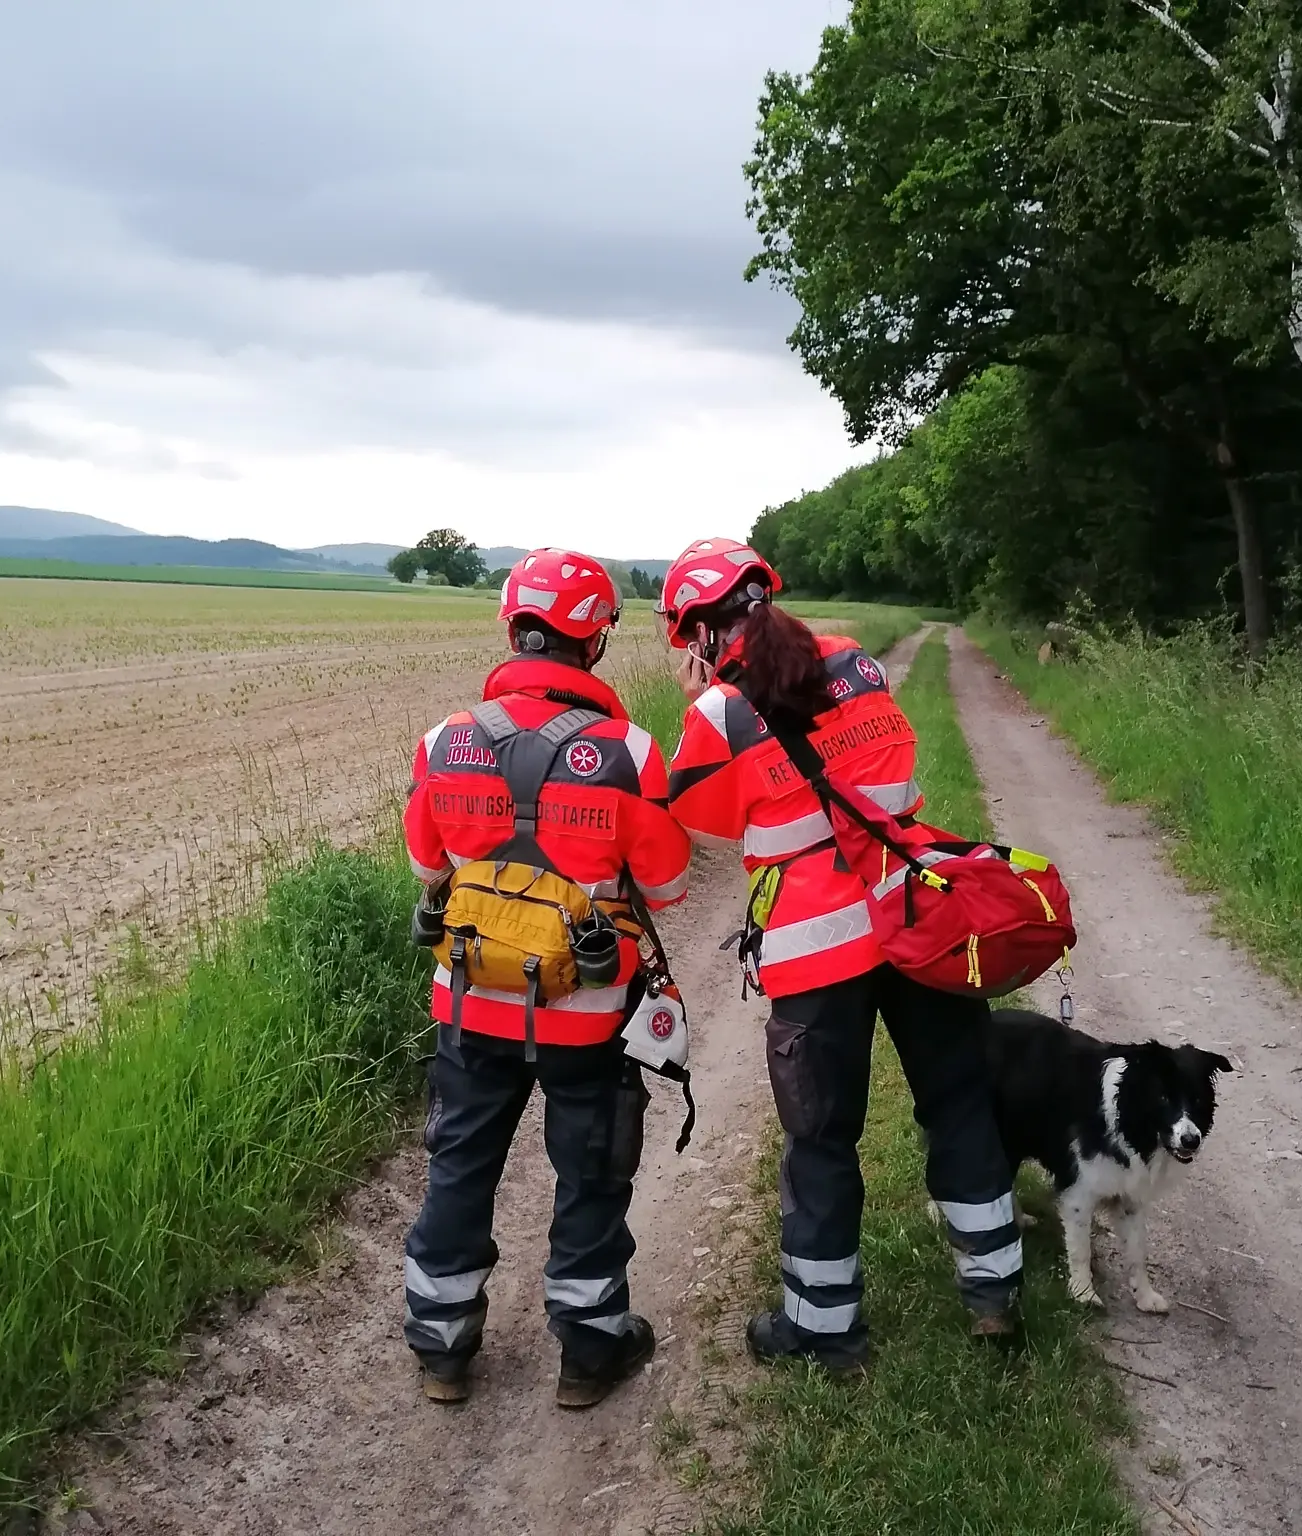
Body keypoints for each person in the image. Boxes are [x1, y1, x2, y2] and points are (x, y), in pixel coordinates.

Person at [659, 538, 1022, 1373]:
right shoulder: (859, 665)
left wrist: (707, 703)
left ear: (702, 634)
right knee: (960, 1104)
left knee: (822, 1140)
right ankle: (995, 1296)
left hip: (817, 952)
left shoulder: (719, 711)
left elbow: (708, 817)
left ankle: (825, 1329)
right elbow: (893, 775)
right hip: (914, 920)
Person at [402, 550, 692, 1408]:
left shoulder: (443, 741)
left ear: (514, 628)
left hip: (467, 1002)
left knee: (458, 1166)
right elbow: (669, 886)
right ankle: (590, 1348)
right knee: (592, 1171)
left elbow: (426, 859)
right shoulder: (632, 753)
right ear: (593, 641)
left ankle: (442, 1346)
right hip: (590, 1016)